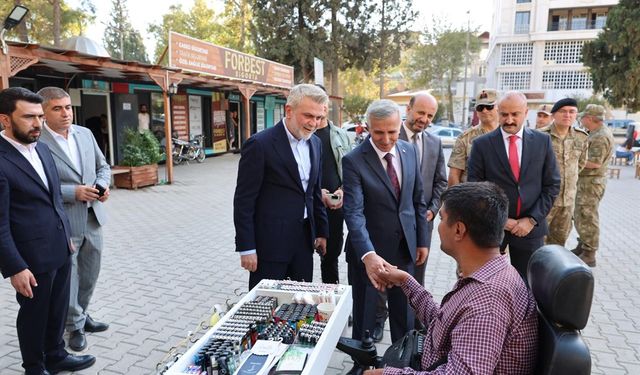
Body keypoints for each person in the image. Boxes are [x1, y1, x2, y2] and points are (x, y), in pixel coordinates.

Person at [363, 182, 538, 375]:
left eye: (442, 218)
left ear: (458, 230)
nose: (438, 227)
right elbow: (444, 324)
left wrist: (384, 374)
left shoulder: (488, 303)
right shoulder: (490, 273)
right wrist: (405, 281)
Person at [0, 87, 96, 375]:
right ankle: (34, 366)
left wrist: (65, 236)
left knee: (57, 310)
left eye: (40, 116)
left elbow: (54, 198)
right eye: (28, 117)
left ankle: (56, 355)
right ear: (5, 119)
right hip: (29, 258)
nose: (37, 124)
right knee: (34, 314)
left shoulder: (41, 147)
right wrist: (15, 267)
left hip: (59, 246)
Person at [342, 99, 429, 370]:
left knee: (404, 314)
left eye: (392, 131)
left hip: (405, 249)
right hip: (369, 254)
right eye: (379, 132)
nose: (386, 139)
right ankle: (362, 366)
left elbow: (418, 200)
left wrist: (423, 240)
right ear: (367, 127)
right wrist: (368, 255)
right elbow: (354, 213)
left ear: (400, 125)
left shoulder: (409, 151)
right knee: (366, 314)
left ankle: (401, 365)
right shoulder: (354, 160)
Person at [37, 87, 112, 352]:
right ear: (43, 113)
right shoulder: (37, 142)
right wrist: (73, 192)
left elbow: (103, 166)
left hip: (93, 217)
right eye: (57, 108)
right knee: (69, 278)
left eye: (68, 107)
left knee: (90, 273)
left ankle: (82, 313)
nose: (66, 113)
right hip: (64, 221)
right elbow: (36, 185)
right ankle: (74, 326)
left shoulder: (85, 134)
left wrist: (102, 185)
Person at [233, 84, 328, 290]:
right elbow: (244, 201)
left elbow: (313, 192)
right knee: (265, 308)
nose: (314, 123)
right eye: (308, 116)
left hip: (304, 242)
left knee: (300, 305)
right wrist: (246, 247)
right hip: (269, 246)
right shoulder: (259, 144)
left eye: (319, 118)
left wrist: (321, 231)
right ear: (289, 111)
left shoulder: (316, 144)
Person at [374, 93, 447, 342]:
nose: (424, 119)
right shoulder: (389, 134)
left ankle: (415, 327)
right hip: (390, 226)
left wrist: (433, 208)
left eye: (430, 115)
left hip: (421, 225)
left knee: (415, 276)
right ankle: (377, 320)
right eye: (420, 113)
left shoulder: (435, 143)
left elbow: (440, 182)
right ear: (409, 109)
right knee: (385, 275)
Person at [467, 91, 560, 278]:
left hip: (530, 229)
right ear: (498, 112)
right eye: (504, 114)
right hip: (492, 228)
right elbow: (476, 189)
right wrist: (501, 220)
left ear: (526, 113)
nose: (509, 120)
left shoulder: (542, 142)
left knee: (529, 285)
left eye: (515, 114)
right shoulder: (481, 145)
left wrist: (531, 219)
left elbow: (552, 185)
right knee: (486, 282)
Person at [539, 98, 588, 247]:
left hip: (567, 201)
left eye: (571, 112)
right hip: (545, 200)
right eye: (563, 111)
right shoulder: (540, 136)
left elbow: (581, 164)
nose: (567, 115)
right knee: (538, 240)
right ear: (553, 115)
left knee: (559, 242)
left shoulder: (582, 136)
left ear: (576, 115)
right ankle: (534, 270)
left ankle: (554, 270)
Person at [314, 84, 351, 284]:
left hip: (335, 208)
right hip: (308, 206)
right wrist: (317, 193)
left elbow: (351, 171)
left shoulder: (341, 135)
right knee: (302, 258)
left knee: (330, 257)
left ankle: (330, 304)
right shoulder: (302, 135)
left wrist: (343, 191)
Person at [573, 105, 615, 267]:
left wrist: (573, 161)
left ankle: (590, 253)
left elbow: (595, 163)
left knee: (588, 217)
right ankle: (583, 245)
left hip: (591, 184)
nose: (581, 119)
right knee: (581, 216)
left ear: (590, 118)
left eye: (583, 117)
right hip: (586, 183)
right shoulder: (595, 133)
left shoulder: (600, 136)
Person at [448, 89, 500, 186]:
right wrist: (457, 200)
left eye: (489, 106)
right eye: (480, 107)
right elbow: (454, 175)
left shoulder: (508, 135)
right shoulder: (465, 138)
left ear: (498, 107)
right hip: (472, 196)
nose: (484, 110)